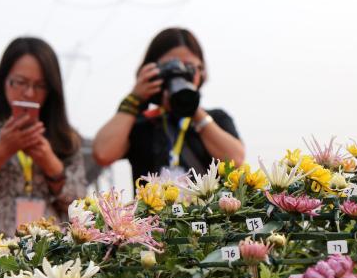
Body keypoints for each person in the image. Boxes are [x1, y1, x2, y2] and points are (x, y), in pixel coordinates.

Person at [0, 37, 87, 233]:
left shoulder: (66, 138)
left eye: (40, 85)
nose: (29, 93)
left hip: (50, 250)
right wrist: (1, 151)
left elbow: (82, 205)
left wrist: (50, 163)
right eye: (20, 82)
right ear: (3, 80)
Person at [92, 28, 244, 184]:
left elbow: (236, 161)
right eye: (170, 67)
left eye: (189, 67)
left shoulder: (216, 118)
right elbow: (103, 154)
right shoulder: (140, 124)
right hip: (152, 200)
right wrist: (135, 98)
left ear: (201, 71)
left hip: (207, 201)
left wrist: (192, 106)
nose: (179, 73)